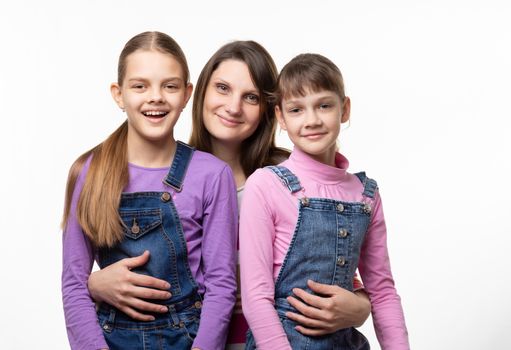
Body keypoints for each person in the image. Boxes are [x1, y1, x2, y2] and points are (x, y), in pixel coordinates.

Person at [87, 41, 373, 349]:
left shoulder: (288, 178)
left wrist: (360, 306)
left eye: (250, 97)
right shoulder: (173, 177)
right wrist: (94, 284)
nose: (234, 107)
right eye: (222, 88)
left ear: (270, 110)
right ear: (197, 93)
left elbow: (331, 258)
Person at [61, 31, 238, 350]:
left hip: (189, 340)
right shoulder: (89, 172)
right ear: (118, 94)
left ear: (186, 94)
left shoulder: (212, 175)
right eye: (140, 85)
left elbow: (221, 287)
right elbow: (74, 285)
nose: (155, 97)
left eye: (169, 86)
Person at [239, 53, 409, 349]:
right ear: (280, 116)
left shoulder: (366, 194)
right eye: (296, 110)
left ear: (345, 109)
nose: (312, 120)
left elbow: (381, 291)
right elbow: (256, 296)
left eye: (324, 105)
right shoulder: (266, 185)